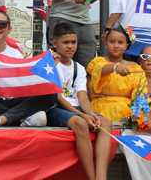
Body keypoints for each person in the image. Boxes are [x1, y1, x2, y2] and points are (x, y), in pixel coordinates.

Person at [88, 27, 151, 142]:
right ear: (105, 43)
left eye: (120, 42)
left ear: (126, 45)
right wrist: (115, 67)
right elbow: (99, 69)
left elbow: (139, 90)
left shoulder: (135, 67)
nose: (116, 45)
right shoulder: (98, 61)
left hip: (128, 105)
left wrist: (140, 105)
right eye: (112, 42)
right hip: (105, 106)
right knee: (137, 115)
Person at [48, 22, 112, 180]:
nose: (70, 46)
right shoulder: (50, 64)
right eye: (66, 42)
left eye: (73, 42)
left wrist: (91, 113)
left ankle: (101, 176)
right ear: (55, 43)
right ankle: (91, 177)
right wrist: (83, 116)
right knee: (81, 123)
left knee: (105, 123)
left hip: (76, 108)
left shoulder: (79, 68)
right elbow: (56, 96)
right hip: (55, 108)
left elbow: (82, 95)